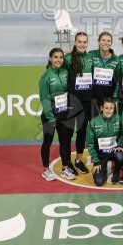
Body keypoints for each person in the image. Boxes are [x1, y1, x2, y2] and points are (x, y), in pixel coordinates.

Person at [39, 47, 76, 181]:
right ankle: (45, 169)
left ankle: (65, 168)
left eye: (61, 57)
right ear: (50, 58)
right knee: (47, 141)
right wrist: (50, 117)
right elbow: (44, 98)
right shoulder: (46, 77)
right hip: (50, 115)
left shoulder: (65, 72)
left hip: (64, 113)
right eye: (56, 57)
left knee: (65, 141)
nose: (59, 60)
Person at [63, 32, 93, 174]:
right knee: (67, 133)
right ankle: (67, 162)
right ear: (75, 43)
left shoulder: (91, 57)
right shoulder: (67, 59)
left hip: (86, 102)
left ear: (88, 43)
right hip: (71, 102)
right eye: (79, 42)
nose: (82, 44)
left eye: (84, 42)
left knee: (81, 132)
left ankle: (79, 160)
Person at [86, 97, 123, 186]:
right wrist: (96, 161)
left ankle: (116, 170)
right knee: (99, 182)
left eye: (111, 108)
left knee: (120, 156)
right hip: (101, 156)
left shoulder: (118, 119)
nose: (109, 111)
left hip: (114, 152)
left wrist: (120, 145)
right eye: (106, 108)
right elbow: (90, 144)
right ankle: (102, 169)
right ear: (101, 108)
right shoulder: (94, 122)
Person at [89, 31, 120, 117]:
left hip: (109, 99)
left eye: (108, 40)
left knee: (110, 125)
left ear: (111, 43)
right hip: (94, 98)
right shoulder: (91, 55)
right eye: (103, 40)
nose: (105, 43)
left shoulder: (116, 60)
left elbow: (118, 81)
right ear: (99, 42)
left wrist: (113, 97)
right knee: (95, 125)